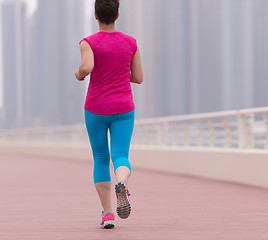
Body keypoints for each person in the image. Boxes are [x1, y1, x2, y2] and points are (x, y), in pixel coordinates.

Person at [75, 0, 143, 229]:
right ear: (117, 14)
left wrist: (78, 73)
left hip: (95, 108)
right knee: (120, 155)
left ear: (95, 15)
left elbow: (87, 67)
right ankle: (121, 182)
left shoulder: (88, 42)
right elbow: (138, 77)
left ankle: (107, 215)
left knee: (101, 158)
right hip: (124, 108)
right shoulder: (131, 43)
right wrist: (120, 73)